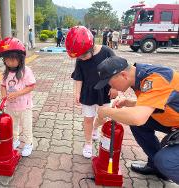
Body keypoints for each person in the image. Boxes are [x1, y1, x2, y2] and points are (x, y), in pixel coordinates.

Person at [95, 56, 179, 184]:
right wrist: (128, 102)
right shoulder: (140, 75)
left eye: (110, 83)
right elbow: (156, 102)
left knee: (166, 161)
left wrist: (106, 111)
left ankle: (162, 165)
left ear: (123, 75)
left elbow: (137, 118)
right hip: (174, 121)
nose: (110, 87)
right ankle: (156, 167)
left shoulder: (156, 79)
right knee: (138, 125)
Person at [65, 26, 118, 158]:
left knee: (103, 117)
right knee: (88, 119)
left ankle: (95, 128)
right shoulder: (79, 57)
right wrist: (77, 93)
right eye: (79, 57)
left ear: (91, 46)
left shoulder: (107, 51)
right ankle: (88, 143)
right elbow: (78, 76)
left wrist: (114, 87)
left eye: (84, 55)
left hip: (105, 91)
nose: (82, 58)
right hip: (87, 92)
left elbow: (117, 70)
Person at [0, 37, 36, 157]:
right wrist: (3, 95)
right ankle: (15, 140)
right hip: (10, 106)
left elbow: (31, 86)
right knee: (13, 126)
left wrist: (17, 93)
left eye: (13, 59)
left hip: (24, 107)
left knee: (26, 127)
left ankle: (29, 143)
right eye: (7, 59)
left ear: (21, 58)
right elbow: (3, 85)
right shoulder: (6, 73)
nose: (10, 62)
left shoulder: (26, 71)